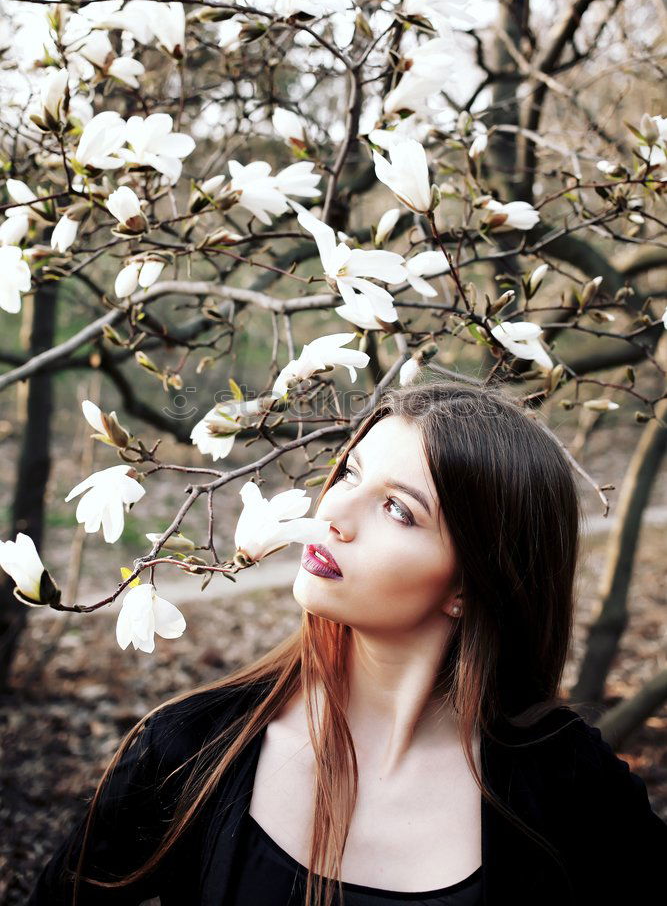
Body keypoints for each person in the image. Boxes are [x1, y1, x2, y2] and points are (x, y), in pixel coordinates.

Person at [28, 379, 667, 906]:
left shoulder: (565, 784)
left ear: (471, 587)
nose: (334, 511)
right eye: (352, 471)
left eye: (399, 509)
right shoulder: (191, 749)